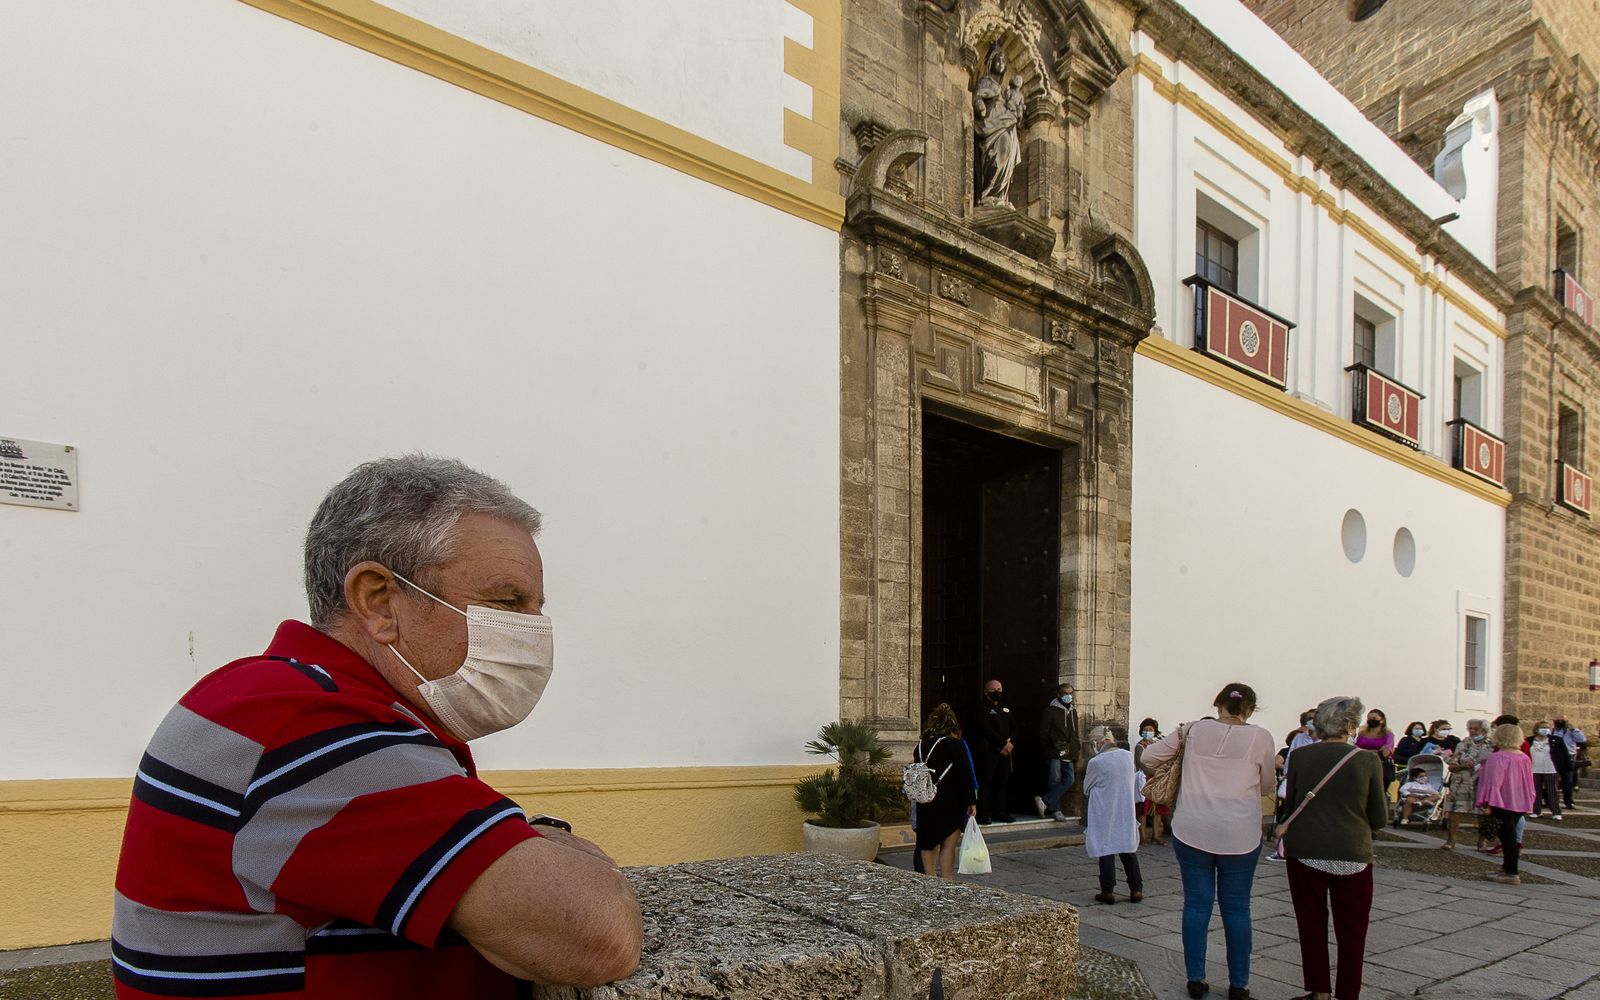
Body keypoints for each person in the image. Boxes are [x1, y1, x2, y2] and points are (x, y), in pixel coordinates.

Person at [110, 456, 642, 998]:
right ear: (378, 601)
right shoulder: (300, 723)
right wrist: (545, 841)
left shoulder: (284, 699)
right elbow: (593, 936)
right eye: (506, 601)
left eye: (536, 607)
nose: (532, 630)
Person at [1140, 684, 1277, 1000]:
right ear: (1250, 709)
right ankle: (1238, 984)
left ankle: (1196, 979)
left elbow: (1148, 758)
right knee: (1237, 909)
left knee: (1197, 904)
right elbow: (1267, 785)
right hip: (1239, 833)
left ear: (1217, 704)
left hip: (1192, 828)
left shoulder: (1191, 730)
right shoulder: (1261, 737)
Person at [1280, 696, 1388, 1000]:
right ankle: (1348, 993)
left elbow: (1290, 806)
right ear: (1351, 725)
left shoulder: (1302, 757)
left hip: (1306, 849)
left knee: (1311, 924)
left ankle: (1319, 990)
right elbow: (1378, 817)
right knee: (1353, 930)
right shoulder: (1367, 760)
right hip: (1352, 850)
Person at [913, 703, 979, 880]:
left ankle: (930, 877)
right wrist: (971, 802)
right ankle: (947, 879)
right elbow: (965, 775)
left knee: (927, 843)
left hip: (925, 801)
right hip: (950, 801)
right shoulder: (955, 745)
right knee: (948, 845)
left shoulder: (920, 746)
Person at [1085, 725, 1144, 904]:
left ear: (1098, 742)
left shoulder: (1096, 762)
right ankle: (1136, 889)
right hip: (1125, 807)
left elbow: (1087, 787)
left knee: (1106, 847)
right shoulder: (1127, 757)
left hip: (1105, 808)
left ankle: (1108, 890)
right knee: (1127, 847)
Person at [1478, 723, 1536, 885]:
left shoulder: (1498, 757)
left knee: (1507, 838)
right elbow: (1529, 781)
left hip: (1501, 800)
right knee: (1509, 836)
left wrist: (1486, 801)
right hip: (1519, 800)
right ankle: (1506, 868)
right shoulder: (1523, 757)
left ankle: (1512, 872)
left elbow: (1493, 782)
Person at [1441, 719, 1493, 850]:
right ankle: (1451, 840)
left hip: (1480, 782)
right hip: (1461, 781)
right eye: (1471, 728)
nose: (1473, 731)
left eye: (1476, 729)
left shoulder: (1490, 744)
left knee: (1482, 812)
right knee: (1455, 810)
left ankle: (1482, 842)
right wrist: (1464, 766)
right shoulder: (1463, 743)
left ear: (1484, 730)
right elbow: (1452, 764)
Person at [1036, 683, 1079, 822]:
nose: (1068, 696)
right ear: (1059, 695)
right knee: (1054, 780)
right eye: (1065, 693)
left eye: (1070, 693)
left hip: (1069, 752)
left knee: (1070, 779)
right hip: (1054, 751)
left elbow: (1075, 733)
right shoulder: (1050, 711)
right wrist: (1051, 748)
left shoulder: (1073, 712)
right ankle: (1055, 809)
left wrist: (1075, 751)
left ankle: (1044, 800)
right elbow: (1043, 733)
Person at [974, 679, 1014, 824]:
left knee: (1002, 781)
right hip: (989, 751)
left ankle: (1000, 811)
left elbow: (1014, 727)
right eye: (994, 690)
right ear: (986, 692)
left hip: (1005, 751)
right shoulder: (981, 708)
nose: (998, 692)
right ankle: (983, 813)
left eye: (1000, 689)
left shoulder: (1005, 708)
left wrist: (1010, 743)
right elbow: (985, 729)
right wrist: (1002, 744)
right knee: (986, 782)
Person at [1134, 718, 1169, 845]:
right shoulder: (1140, 746)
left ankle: (1157, 835)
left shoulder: (1156, 745)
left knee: (1158, 809)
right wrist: (1155, 772)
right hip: (1145, 779)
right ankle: (1142, 836)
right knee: (1143, 809)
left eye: (1150, 730)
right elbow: (1141, 763)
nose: (1147, 732)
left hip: (1157, 780)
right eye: (1145, 730)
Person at [1523, 721, 1567, 821]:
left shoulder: (1555, 740)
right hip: (1533, 769)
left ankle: (1556, 811)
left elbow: (1563, 754)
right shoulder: (1529, 740)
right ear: (1537, 729)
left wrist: (1564, 768)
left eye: (1547, 727)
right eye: (1543, 727)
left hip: (1550, 769)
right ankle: (1536, 810)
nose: (1545, 729)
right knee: (1535, 791)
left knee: (1552, 791)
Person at [1355, 709, 1395, 791]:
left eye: (1374, 718)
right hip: (1363, 763)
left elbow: (1387, 750)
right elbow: (1356, 747)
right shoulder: (1362, 733)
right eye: (1369, 718)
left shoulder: (1388, 734)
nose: (1371, 720)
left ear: (1382, 720)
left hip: (1379, 764)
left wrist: (1384, 750)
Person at [1552, 717, 1588, 808]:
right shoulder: (1552, 731)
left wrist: (1573, 729)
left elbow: (1582, 739)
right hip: (1554, 757)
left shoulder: (1571, 732)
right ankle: (1550, 800)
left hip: (1568, 757)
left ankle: (1569, 802)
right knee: (1552, 780)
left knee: (1568, 780)